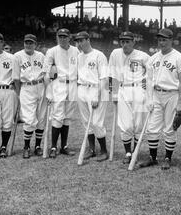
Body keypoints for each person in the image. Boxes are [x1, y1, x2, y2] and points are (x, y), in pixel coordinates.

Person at [139, 28, 181, 169]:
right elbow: (148, 80)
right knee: (152, 128)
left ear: (171, 40)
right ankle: (152, 157)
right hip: (156, 94)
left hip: (172, 94)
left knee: (169, 128)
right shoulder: (153, 58)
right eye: (160, 40)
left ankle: (167, 158)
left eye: (164, 39)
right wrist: (149, 99)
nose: (161, 42)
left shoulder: (179, 58)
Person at [108, 31, 149, 164]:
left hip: (138, 89)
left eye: (127, 41)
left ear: (133, 42)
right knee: (125, 124)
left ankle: (135, 151)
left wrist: (146, 85)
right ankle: (127, 152)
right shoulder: (115, 53)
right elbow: (112, 74)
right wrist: (114, 93)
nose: (125, 44)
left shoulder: (143, 56)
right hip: (122, 89)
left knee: (138, 124)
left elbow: (152, 71)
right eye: (122, 41)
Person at [74, 31, 109, 162]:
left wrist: (97, 96)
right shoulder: (79, 57)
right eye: (78, 41)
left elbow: (104, 78)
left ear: (88, 40)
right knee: (86, 121)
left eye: (82, 40)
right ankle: (92, 149)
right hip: (82, 88)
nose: (80, 43)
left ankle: (104, 150)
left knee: (96, 122)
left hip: (96, 89)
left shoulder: (99, 55)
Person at [44, 28, 79, 158]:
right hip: (59, 83)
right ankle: (53, 146)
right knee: (58, 115)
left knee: (67, 116)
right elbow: (46, 73)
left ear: (69, 37)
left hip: (73, 83)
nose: (62, 38)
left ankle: (64, 146)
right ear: (57, 37)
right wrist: (48, 92)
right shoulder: (52, 51)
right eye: (60, 36)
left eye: (65, 36)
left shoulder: (75, 50)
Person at [13, 34, 47, 159]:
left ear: (35, 44)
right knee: (29, 118)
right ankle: (26, 147)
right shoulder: (17, 56)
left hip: (41, 86)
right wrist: (18, 93)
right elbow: (16, 78)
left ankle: (37, 146)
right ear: (23, 43)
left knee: (41, 117)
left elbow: (45, 74)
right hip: (26, 87)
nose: (28, 44)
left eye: (31, 43)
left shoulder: (41, 56)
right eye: (26, 42)